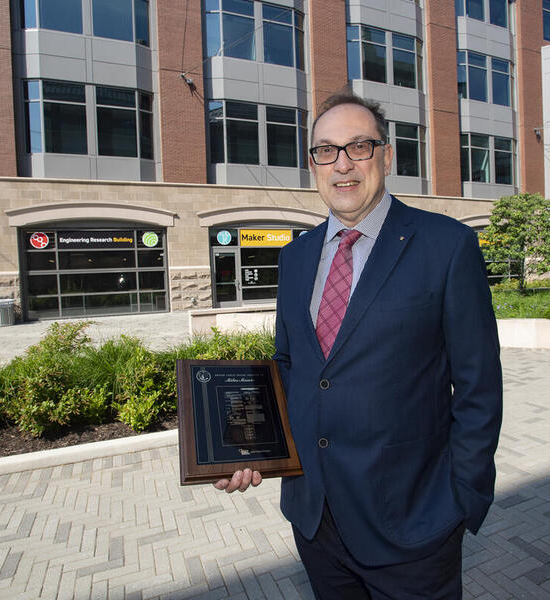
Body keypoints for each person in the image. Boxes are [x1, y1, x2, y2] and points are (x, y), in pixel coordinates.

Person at [215, 92, 503, 599]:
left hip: (414, 523)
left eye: (359, 147)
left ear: (387, 156)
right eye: (326, 150)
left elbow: (479, 385)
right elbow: (290, 365)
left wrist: (460, 498)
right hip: (315, 517)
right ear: (313, 164)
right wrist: (249, 446)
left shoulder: (447, 245)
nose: (342, 164)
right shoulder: (296, 257)